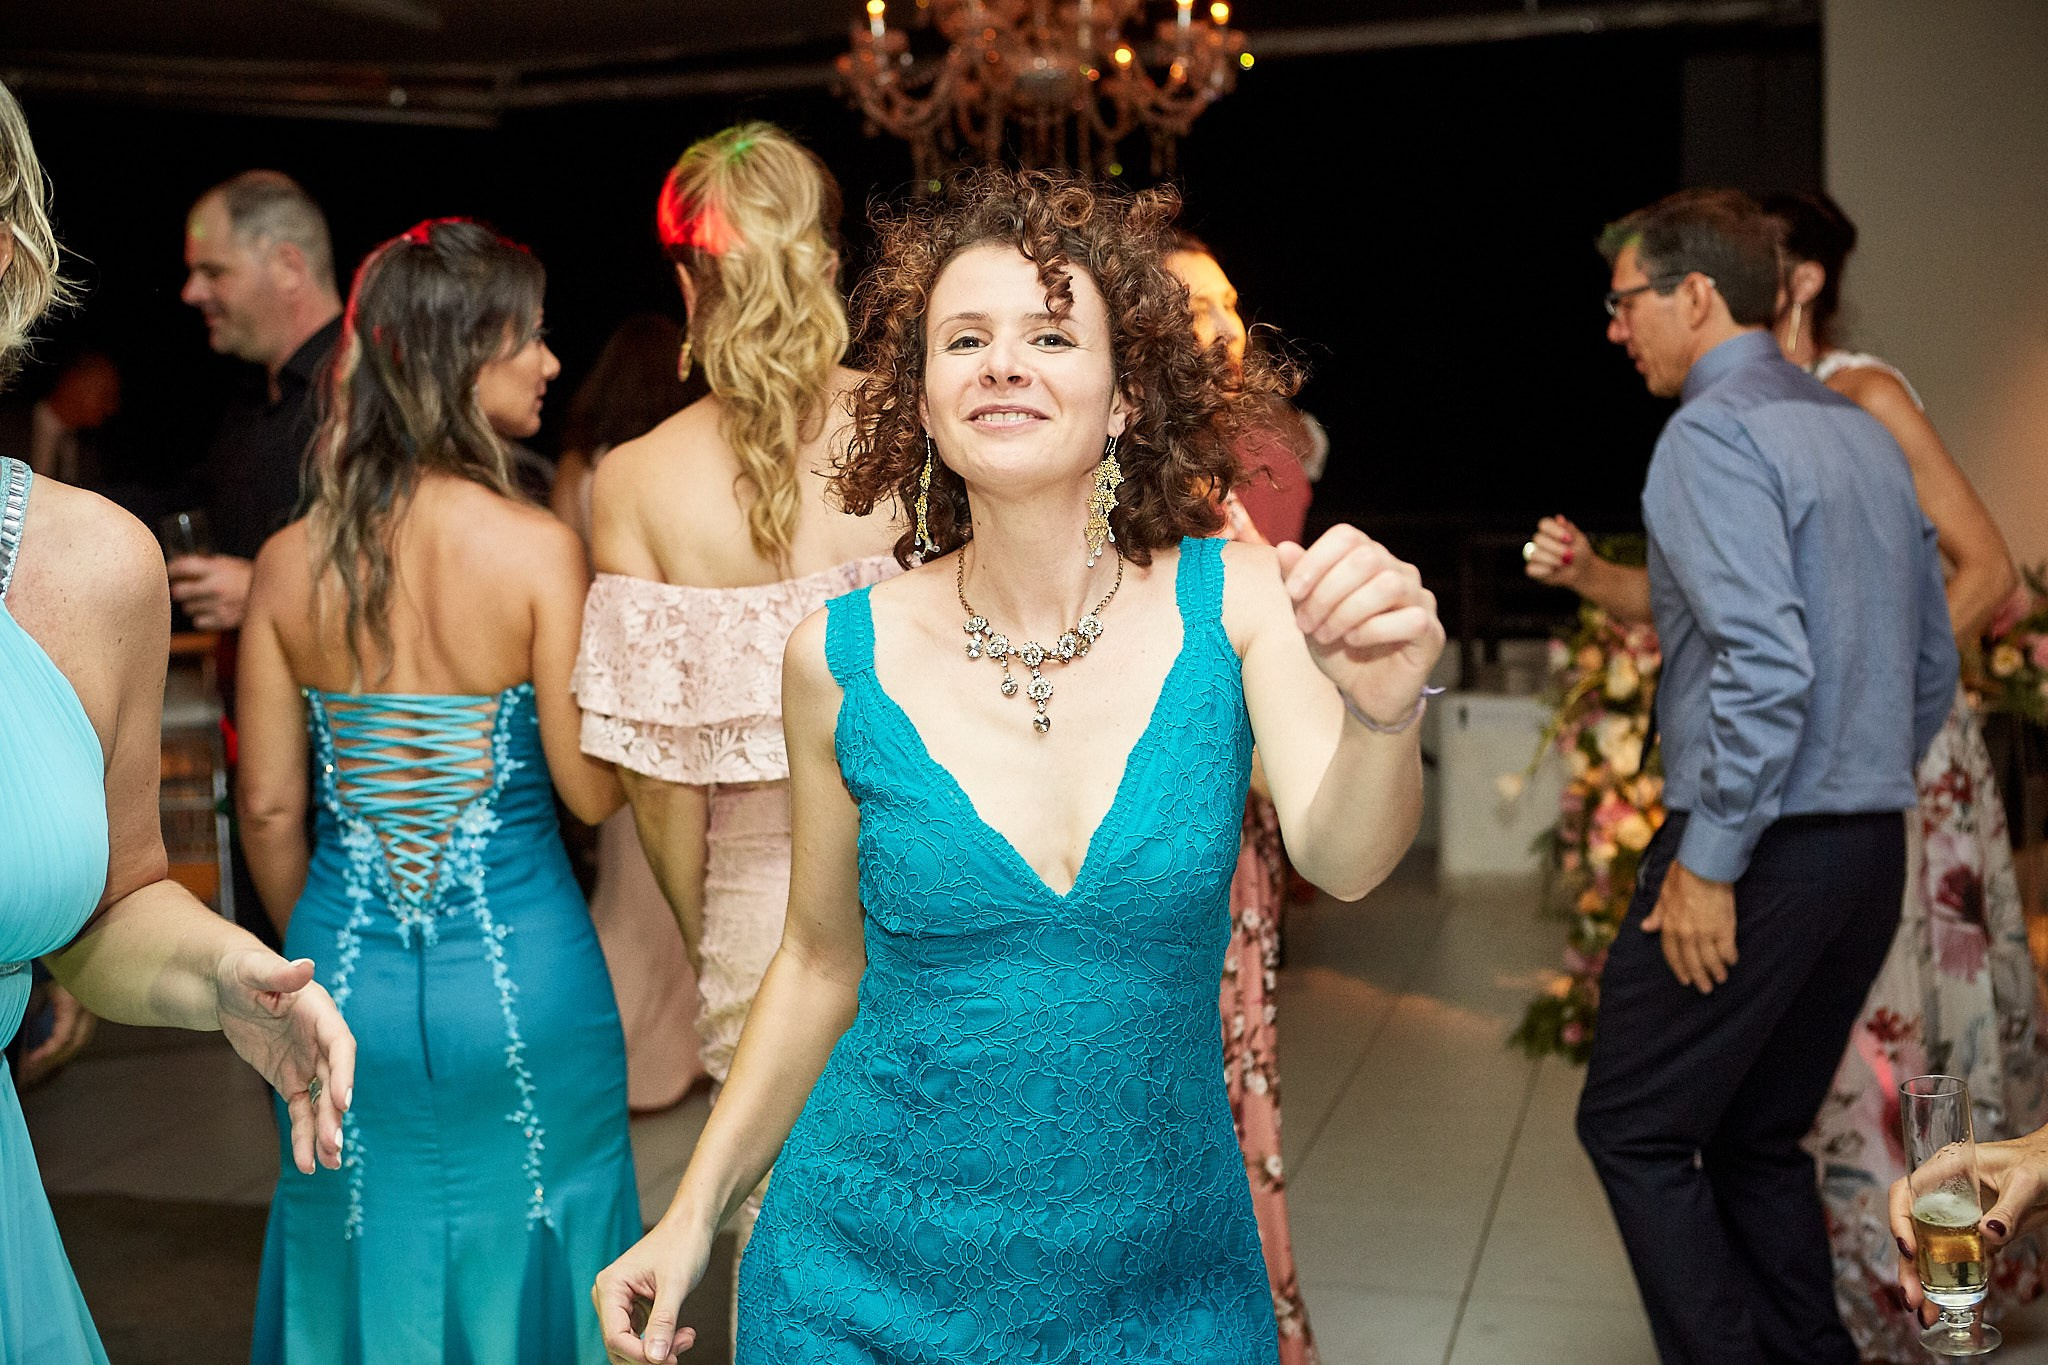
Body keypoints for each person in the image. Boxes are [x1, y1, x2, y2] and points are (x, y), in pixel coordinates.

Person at [594, 166, 1444, 1364]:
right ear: (922, 405)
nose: (1001, 362)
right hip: (862, 1280)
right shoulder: (836, 658)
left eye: (1050, 334)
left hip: (1164, 1281)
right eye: (963, 339)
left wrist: (1380, 713)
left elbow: (1344, 860)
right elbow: (818, 961)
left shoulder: (1239, 603)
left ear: (1123, 397)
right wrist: (691, 1215)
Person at [1528, 190, 2047, 1361]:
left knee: (1633, 1130)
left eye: (1624, 304)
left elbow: (1762, 664)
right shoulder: (1853, 426)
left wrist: (1710, 863)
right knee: (1760, 1134)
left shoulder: (1709, 435)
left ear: (1694, 296)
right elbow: (1927, 653)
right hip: (1867, 848)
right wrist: (1861, 774)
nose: (1616, 330)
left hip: (1753, 848)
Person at [235, 216, 635, 1363]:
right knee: (550, 1234)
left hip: (335, 985)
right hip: (528, 977)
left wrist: (319, 941)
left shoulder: (284, 564)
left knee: (353, 1244)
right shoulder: (536, 550)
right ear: (468, 356)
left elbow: (269, 812)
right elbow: (590, 795)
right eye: (535, 338)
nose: (552, 364)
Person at [0, 78, 354, 1365]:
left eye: (214, 271)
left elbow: (106, 905)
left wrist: (218, 974)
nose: (196, 295)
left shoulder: (88, 569)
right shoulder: (245, 417)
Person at [571, 123, 901, 1271]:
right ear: (822, 257)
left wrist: (714, 935)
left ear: (686, 283)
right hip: (943, 887)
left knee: (796, 1245)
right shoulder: (917, 433)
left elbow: (656, 786)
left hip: (758, 924)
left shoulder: (633, 481)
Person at [1164, 237, 1319, 1364]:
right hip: (1177, 830)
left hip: (1231, 816)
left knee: (1222, 1090)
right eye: (1192, 305)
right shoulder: (1165, 480)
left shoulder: (1228, 469)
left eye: (1229, 299)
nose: (1223, 323)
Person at [551, 314, 704, 1114]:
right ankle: (675, 1054)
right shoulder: (681, 467)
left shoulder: (581, 472)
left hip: (610, 689)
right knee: (682, 884)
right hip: (687, 690)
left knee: (628, 882)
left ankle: (637, 1057)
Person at [174, 170, 343, 632]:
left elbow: (417, 572)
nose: (191, 293)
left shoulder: (369, 393)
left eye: (213, 272)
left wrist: (264, 591)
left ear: (289, 266)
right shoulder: (250, 403)